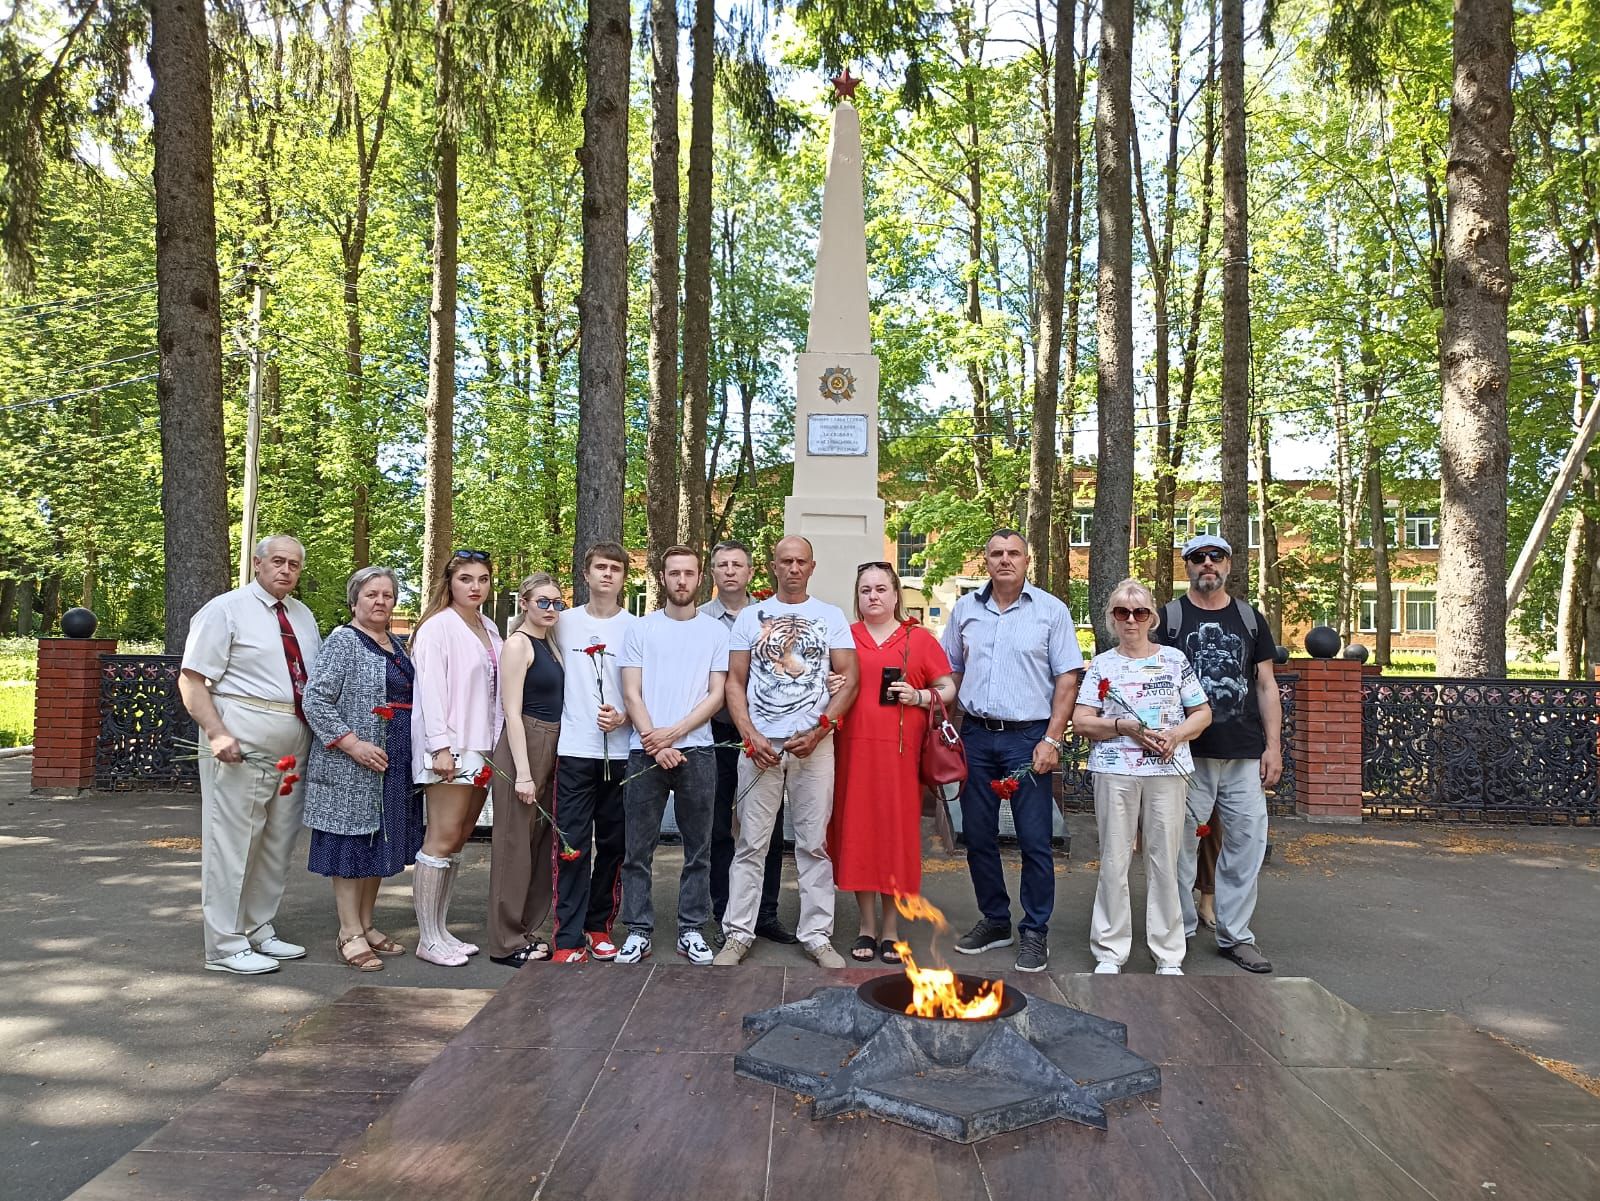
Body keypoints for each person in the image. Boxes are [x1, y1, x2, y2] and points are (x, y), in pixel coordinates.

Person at [178, 535, 322, 975]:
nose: (285, 570)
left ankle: (258, 927)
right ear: (258, 563)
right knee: (232, 840)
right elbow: (192, 679)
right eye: (277, 561)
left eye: (294, 564)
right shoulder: (224, 610)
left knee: (277, 841)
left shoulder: (303, 616)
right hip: (241, 738)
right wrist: (217, 732)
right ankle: (223, 944)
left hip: (295, 741)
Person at [713, 535, 858, 968]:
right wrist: (748, 733)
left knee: (813, 845)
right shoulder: (750, 617)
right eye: (785, 561)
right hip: (759, 747)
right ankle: (738, 933)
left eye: (801, 562)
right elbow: (734, 682)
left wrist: (821, 729)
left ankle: (816, 935)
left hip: (815, 747)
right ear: (773, 567)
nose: (793, 568)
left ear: (812, 567)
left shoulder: (830, 616)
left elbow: (850, 679)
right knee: (751, 845)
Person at [941, 528, 1082, 973]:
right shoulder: (966, 610)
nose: (1005, 560)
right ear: (985, 560)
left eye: (1013, 553)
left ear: (1027, 560)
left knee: (1034, 839)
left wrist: (1053, 739)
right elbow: (950, 673)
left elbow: (1067, 679)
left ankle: (1035, 930)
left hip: (1029, 737)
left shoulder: (1051, 611)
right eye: (996, 553)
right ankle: (995, 920)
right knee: (978, 835)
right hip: (977, 736)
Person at [1155, 534, 1283, 973]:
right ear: (1186, 566)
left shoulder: (1249, 618)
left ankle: (1235, 936)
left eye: (1216, 557)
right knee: (1178, 847)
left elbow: (1266, 685)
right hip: (1187, 756)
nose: (1207, 564)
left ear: (1229, 564)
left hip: (1244, 755)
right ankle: (1180, 930)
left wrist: (1274, 747)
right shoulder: (1169, 618)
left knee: (1247, 845)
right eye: (1197, 558)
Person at [1073, 579, 1212, 975]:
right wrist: (1122, 726)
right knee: (1114, 860)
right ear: (1111, 618)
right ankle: (1109, 951)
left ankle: (1168, 953)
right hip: (1115, 771)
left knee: (1165, 861)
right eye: (1121, 612)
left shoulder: (1173, 659)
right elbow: (1082, 721)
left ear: (1152, 617)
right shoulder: (1101, 664)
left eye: (1139, 612)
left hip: (1166, 771)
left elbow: (1202, 712)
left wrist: (1176, 735)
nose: (1130, 619)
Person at [831, 561, 955, 963]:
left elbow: (947, 686)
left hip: (899, 757)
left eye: (881, 589)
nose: (873, 596)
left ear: (895, 593)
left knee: (893, 838)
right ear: (858, 596)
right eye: (866, 590)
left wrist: (918, 696)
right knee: (859, 835)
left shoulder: (917, 639)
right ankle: (865, 925)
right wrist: (829, 683)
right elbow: (826, 685)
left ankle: (890, 928)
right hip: (852, 753)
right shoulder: (845, 637)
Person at [301, 566, 422, 971]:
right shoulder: (343, 642)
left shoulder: (397, 645)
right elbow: (314, 701)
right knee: (352, 847)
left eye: (387, 595)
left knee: (378, 845)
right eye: (372, 594)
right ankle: (348, 932)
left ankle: (368, 924)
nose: (381, 601)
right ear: (355, 601)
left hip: (394, 763)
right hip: (352, 767)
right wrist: (352, 743)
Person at [616, 546, 728, 965]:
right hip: (644, 753)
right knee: (637, 848)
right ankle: (638, 931)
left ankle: (691, 929)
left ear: (701, 578)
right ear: (662, 578)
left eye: (689, 573)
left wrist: (676, 735)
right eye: (674, 573)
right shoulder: (641, 630)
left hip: (696, 752)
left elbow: (716, 694)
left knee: (698, 847)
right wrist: (654, 741)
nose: (682, 581)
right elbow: (631, 691)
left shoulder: (716, 633)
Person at [409, 548, 504, 967]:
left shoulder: (488, 626)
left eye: (482, 579)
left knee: (461, 836)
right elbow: (431, 690)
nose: (475, 587)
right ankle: (427, 938)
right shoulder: (437, 628)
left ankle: (441, 929)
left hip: (483, 745)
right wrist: (440, 747)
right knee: (441, 837)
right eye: (466, 579)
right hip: (451, 746)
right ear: (450, 582)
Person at [701, 539, 795, 945]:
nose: (730, 571)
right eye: (722, 564)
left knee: (767, 828)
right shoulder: (701, 619)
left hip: (764, 733)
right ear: (713, 573)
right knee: (718, 825)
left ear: (752, 571)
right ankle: (724, 910)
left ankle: (766, 912)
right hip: (717, 733)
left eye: (737, 564)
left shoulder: (768, 618)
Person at [550, 542, 636, 963]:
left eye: (615, 569)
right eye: (600, 567)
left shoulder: (635, 627)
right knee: (572, 845)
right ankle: (566, 937)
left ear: (624, 577)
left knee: (614, 844)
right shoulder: (562, 623)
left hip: (621, 753)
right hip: (575, 749)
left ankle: (598, 925)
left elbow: (646, 690)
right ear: (585, 574)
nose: (607, 574)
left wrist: (624, 717)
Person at [486, 573, 565, 968]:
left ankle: (526, 928)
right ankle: (505, 941)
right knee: (513, 845)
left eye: (557, 602)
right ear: (524, 603)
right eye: (543, 601)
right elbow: (511, 712)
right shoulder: (517, 645)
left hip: (553, 742)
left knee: (541, 842)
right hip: (526, 743)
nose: (551, 608)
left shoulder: (549, 644)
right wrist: (523, 772)